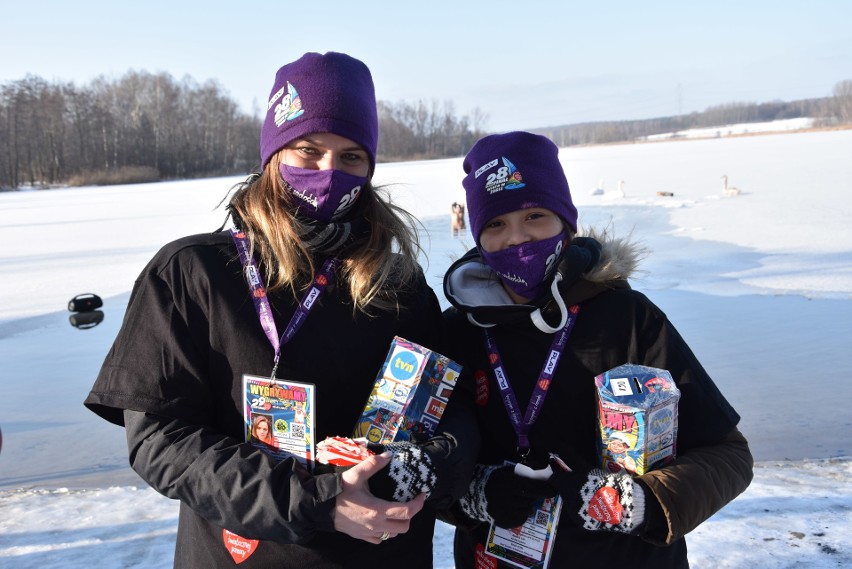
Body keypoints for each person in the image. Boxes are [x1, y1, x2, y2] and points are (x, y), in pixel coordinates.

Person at [85, 51, 475, 568]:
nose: (329, 171)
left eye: (351, 157)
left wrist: (426, 466)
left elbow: (456, 413)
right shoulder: (192, 273)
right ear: (272, 154)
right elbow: (160, 441)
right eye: (307, 150)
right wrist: (320, 501)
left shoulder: (397, 282)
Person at [441, 131, 753, 568]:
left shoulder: (628, 317)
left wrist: (638, 504)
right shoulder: (459, 332)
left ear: (566, 223)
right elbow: (427, 461)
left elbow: (729, 455)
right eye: (496, 223)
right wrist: (474, 494)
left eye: (535, 215)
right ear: (476, 235)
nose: (517, 238)